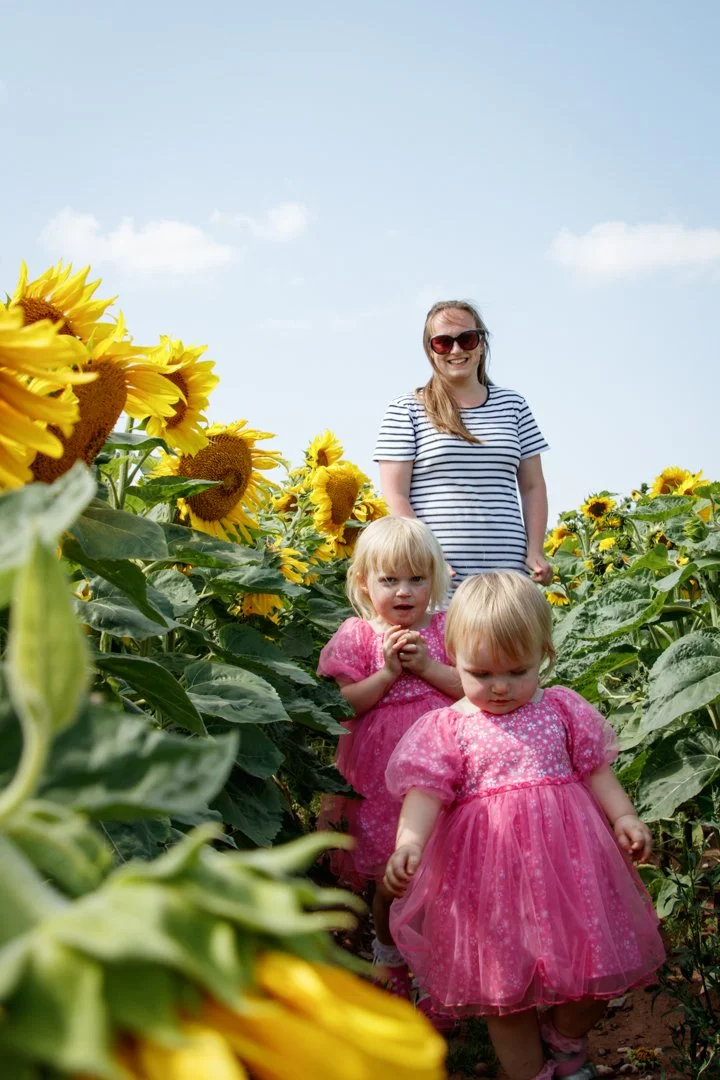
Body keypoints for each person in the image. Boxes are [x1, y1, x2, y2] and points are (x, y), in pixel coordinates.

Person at [383, 572, 665, 1080]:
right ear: (451, 656)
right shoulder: (450, 726)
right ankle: (531, 1073)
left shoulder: (560, 709)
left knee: (596, 971)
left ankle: (565, 1036)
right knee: (500, 994)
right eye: (480, 672)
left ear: (544, 655)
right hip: (488, 879)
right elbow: (424, 794)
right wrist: (409, 843)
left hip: (569, 871)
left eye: (517, 671)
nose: (499, 687)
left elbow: (596, 771)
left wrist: (624, 817)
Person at [317, 516, 462, 999]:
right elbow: (344, 705)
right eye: (389, 579)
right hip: (379, 779)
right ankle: (388, 951)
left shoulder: (446, 630)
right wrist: (386, 673)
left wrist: (427, 667)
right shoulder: (358, 635)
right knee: (390, 873)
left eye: (417, 579)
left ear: (435, 579)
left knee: (442, 868)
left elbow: (469, 689)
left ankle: (439, 962)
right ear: (364, 582)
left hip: (442, 771)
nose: (404, 592)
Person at [374, 300, 552, 586]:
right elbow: (395, 495)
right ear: (430, 352)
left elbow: (533, 486)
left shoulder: (513, 405)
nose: (456, 350)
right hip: (438, 577)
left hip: (509, 577)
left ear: (481, 344)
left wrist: (535, 551)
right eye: (443, 343)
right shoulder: (406, 409)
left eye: (467, 339)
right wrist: (429, 558)